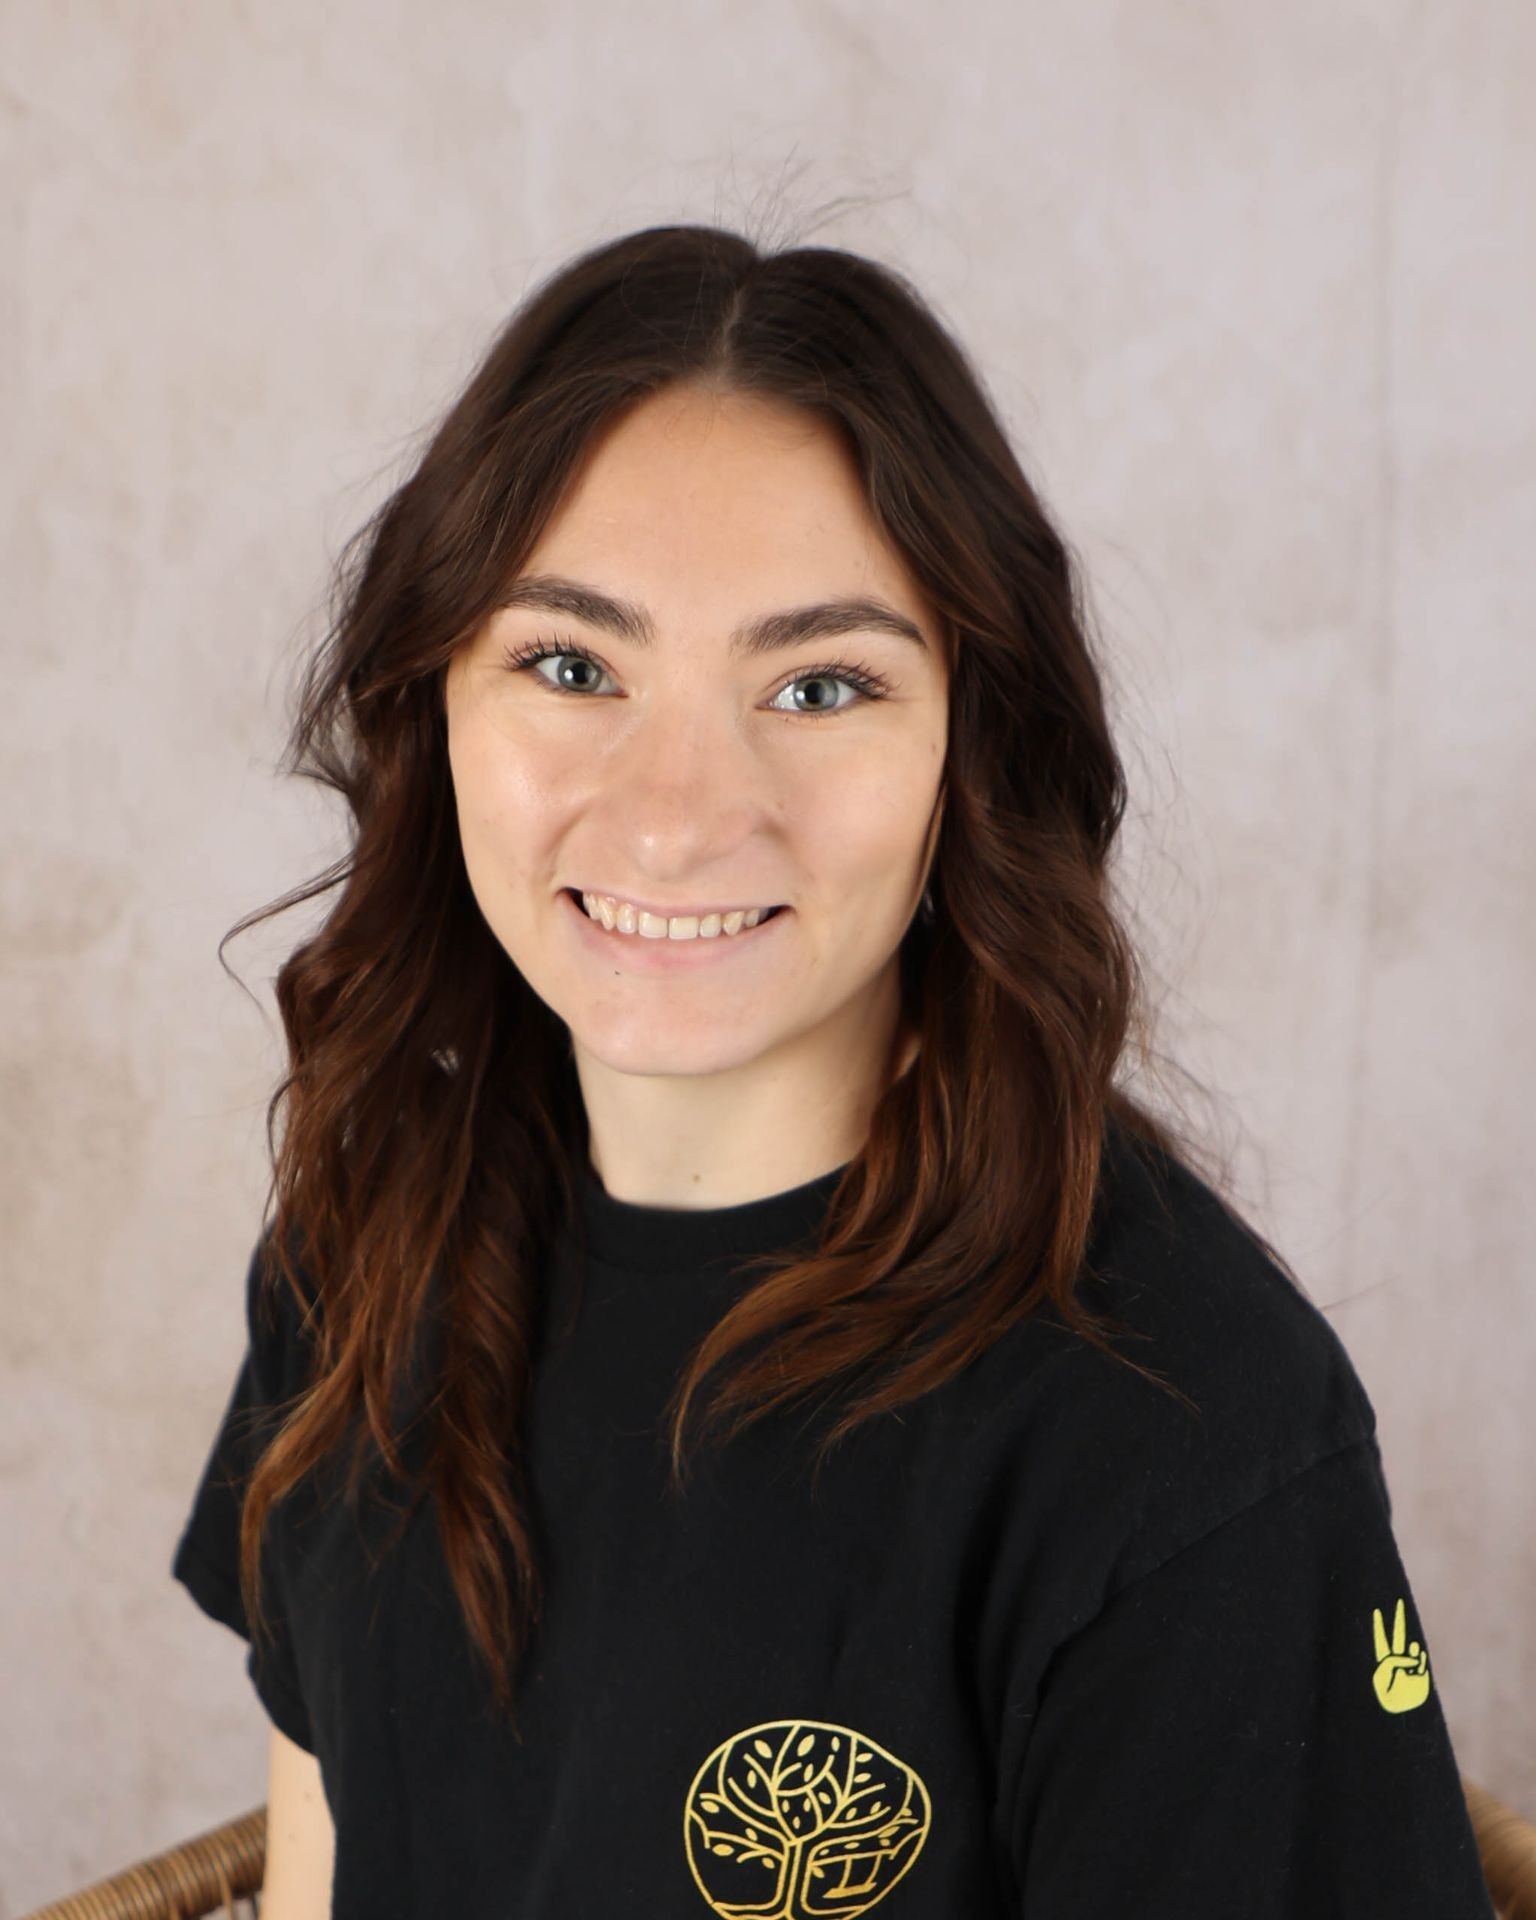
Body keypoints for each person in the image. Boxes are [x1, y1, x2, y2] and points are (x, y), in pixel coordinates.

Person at [171, 222, 1497, 1918]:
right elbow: (329, 1870)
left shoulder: (1176, 1429)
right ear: (434, 708)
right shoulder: (371, 1224)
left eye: (819, 684)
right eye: (571, 663)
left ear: (974, 748)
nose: (676, 812)